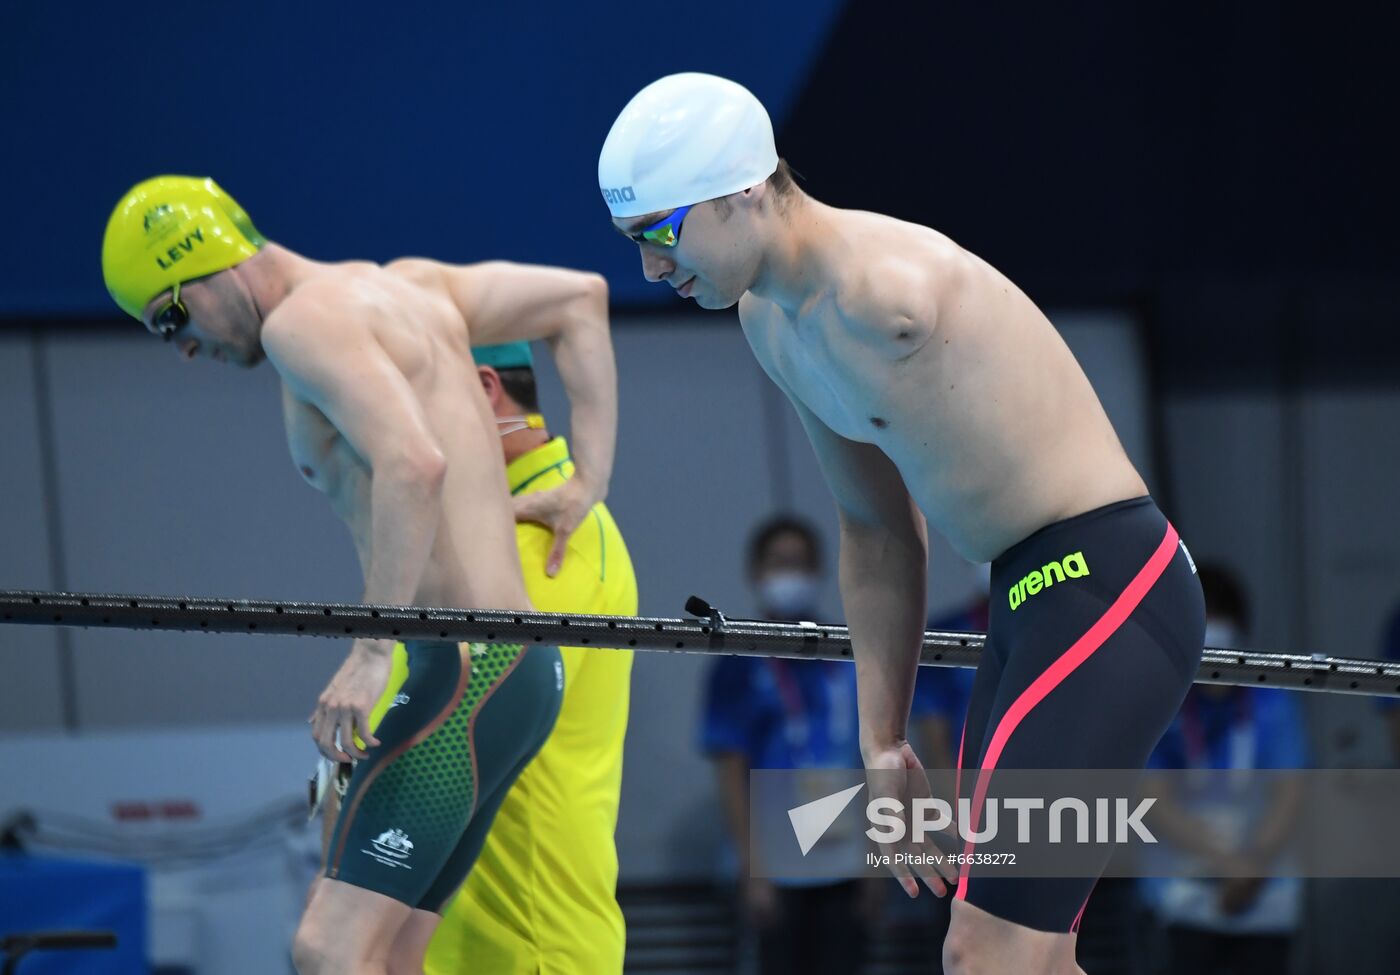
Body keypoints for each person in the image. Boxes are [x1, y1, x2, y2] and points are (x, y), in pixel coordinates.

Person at [599, 74, 1205, 975]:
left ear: (744, 191)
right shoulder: (774, 323)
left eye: (658, 233)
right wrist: (880, 740)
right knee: (1034, 956)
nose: (649, 267)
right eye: (631, 242)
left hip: (1107, 590)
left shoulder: (887, 298)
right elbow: (876, 528)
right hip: (1032, 602)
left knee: (983, 952)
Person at [101, 175, 617, 975]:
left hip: (466, 668)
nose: (184, 347)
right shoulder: (412, 285)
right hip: (515, 668)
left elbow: (414, 462)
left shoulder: (302, 324)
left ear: (205, 261)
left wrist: (373, 651)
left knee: (328, 949)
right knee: (396, 954)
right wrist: (592, 480)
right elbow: (581, 298)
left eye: (170, 316)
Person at [316, 341, 638, 974]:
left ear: (484, 390)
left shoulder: (546, 538)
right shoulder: (498, 533)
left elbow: (465, 714)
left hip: (521, 947)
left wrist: (343, 906)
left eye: (407, 410)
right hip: (463, 940)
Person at [699, 515, 880, 974]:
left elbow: (877, 757)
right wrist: (751, 866)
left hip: (846, 856)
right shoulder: (737, 659)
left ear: (820, 569)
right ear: (756, 572)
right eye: (780, 563)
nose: (790, 573)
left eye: (800, 563)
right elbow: (729, 768)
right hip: (774, 861)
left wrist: (881, 857)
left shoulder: (845, 648)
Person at [1140, 565, 1306, 975]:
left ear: (1241, 638)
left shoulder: (1272, 701)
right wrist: (1226, 863)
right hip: (1183, 894)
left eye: (1223, 643)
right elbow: (1153, 799)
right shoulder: (1162, 703)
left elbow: (1290, 793)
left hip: (1263, 887)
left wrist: (1251, 865)